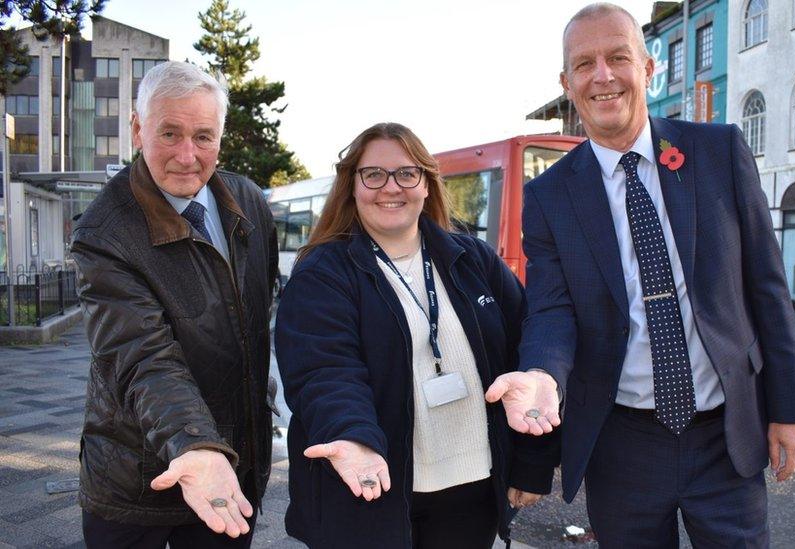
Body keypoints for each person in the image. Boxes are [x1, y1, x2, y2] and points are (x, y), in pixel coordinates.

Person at [485, 3, 795, 547]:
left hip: (726, 435)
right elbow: (552, 309)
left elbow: (767, 287)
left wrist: (790, 409)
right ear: (567, 82)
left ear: (647, 68)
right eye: (584, 64)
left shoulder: (718, 150)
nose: (603, 76)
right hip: (622, 445)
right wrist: (541, 373)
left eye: (618, 57)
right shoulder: (549, 197)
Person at [274, 122, 557, 549]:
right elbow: (325, 372)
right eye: (374, 175)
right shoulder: (323, 273)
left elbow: (530, 358)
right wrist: (353, 437)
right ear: (352, 186)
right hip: (372, 485)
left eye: (406, 173)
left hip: (472, 489)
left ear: (426, 183)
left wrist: (533, 462)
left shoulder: (472, 259)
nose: (391, 187)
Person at [71, 61, 278, 548]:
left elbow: (260, 316)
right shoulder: (104, 232)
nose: (188, 156)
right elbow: (143, 357)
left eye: (203, 137)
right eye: (170, 133)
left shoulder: (248, 200)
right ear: (138, 129)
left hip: (229, 472)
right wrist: (197, 446)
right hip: (135, 479)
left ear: (220, 139)